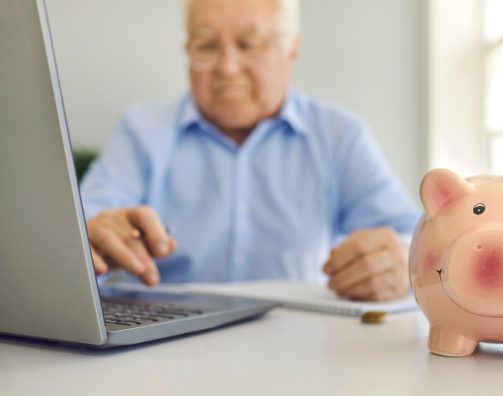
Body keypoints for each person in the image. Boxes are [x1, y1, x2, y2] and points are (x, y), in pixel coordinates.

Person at [81, 0, 420, 301]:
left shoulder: (340, 135)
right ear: (188, 51)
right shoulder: (140, 130)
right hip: (159, 348)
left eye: (249, 44)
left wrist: (400, 259)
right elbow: (75, 238)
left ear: (292, 51)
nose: (227, 68)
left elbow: (415, 240)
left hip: (300, 345)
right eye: (207, 45)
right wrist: (93, 236)